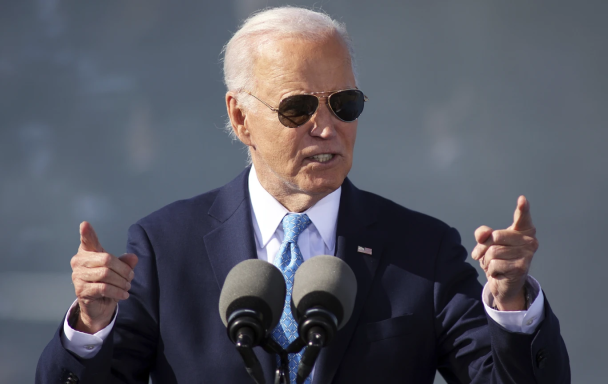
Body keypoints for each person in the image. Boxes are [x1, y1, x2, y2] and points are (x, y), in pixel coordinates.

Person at [36, 6, 570, 384]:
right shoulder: (163, 245)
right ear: (240, 117)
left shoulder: (420, 251)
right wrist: (90, 325)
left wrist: (512, 306)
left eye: (344, 104)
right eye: (297, 108)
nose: (326, 127)